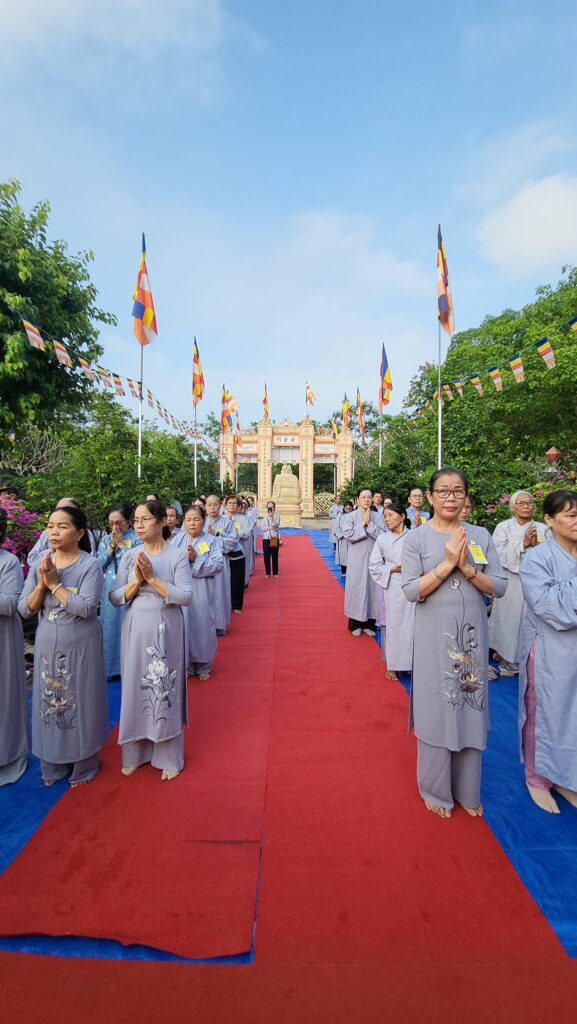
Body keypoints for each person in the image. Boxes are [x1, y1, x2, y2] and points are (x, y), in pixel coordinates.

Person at [401, 468, 506, 819]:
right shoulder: (416, 538)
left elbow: (500, 586)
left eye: (458, 491)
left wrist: (469, 569)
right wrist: (447, 566)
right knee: (437, 702)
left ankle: (466, 789)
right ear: (429, 497)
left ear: (465, 497)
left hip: (473, 635)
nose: (450, 497)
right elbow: (411, 591)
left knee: (470, 700)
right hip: (434, 636)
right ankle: (435, 788)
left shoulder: (478, 535)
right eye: (443, 491)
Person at [18, 505, 108, 787]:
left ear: (79, 533)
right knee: (49, 702)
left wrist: (56, 585)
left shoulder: (89, 565)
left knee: (80, 700)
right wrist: (42, 585)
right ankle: (53, 763)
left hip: (80, 643)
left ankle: (83, 763)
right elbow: (25, 609)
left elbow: (87, 607)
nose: (54, 532)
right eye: (50, 525)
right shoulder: (40, 564)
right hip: (47, 642)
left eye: (63, 526)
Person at [109, 500, 193, 781]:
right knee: (135, 687)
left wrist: (153, 579)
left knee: (164, 689)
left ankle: (168, 755)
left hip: (166, 627)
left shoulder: (176, 555)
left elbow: (185, 596)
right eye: (136, 520)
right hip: (135, 628)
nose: (139, 525)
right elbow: (115, 597)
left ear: (161, 522)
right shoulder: (130, 555)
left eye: (145, 520)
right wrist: (136, 582)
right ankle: (136, 753)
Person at [518, 490, 577, 814]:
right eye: (570, 515)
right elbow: (553, 609)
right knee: (543, 714)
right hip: (550, 650)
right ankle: (537, 777)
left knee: (573, 716)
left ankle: (567, 776)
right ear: (550, 521)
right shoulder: (536, 559)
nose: (576, 521)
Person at [488, 491, 547, 679]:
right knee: (509, 621)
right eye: (520, 503)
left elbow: (550, 554)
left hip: (536, 582)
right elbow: (497, 553)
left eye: (529, 502)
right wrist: (523, 544)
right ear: (512, 507)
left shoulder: (543, 529)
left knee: (532, 621)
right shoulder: (503, 527)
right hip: (511, 581)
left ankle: (531, 660)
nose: (525, 506)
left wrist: (534, 545)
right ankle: (507, 659)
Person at [369, 502, 415, 680]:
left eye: (390, 515)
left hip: (412, 585)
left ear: (402, 516)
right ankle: (393, 664)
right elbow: (374, 566)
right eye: (385, 516)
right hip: (392, 587)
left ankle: (411, 664)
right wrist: (391, 569)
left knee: (412, 626)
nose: (387, 519)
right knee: (394, 626)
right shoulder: (382, 539)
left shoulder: (414, 537)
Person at [0, 509, 28, 785]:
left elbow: (11, 604)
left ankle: (7, 757)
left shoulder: (7, 562)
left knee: (4, 696)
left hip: (3, 637)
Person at [97, 502, 140, 680]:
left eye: (119, 522)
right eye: (111, 523)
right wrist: (111, 549)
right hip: (109, 585)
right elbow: (97, 564)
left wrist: (122, 546)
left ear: (129, 521)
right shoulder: (106, 539)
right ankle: (109, 668)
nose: (115, 527)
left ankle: (128, 668)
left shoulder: (137, 537)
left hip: (129, 586)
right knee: (109, 626)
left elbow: (136, 562)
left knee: (127, 624)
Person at [183, 505, 223, 680]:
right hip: (182, 589)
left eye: (196, 519)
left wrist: (196, 559)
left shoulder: (211, 541)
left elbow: (217, 564)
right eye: (188, 519)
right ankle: (188, 663)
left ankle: (205, 664)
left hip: (203, 590)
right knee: (185, 625)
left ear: (203, 521)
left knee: (202, 623)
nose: (192, 523)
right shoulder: (177, 540)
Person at [341, 487, 385, 636]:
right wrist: (362, 525)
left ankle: (370, 624)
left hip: (374, 557)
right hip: (357, 558)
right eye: (363, 497)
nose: (367, 500)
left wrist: (369, 525)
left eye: (369, 497)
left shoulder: (378, 517)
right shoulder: (349, 517)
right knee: (357, 587)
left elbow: (383, 535)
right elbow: (349, 535)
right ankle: (355, 623)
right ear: (357, 500)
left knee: (373, 589)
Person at [27, 497, 97, 566]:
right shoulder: (47, 533)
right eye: (59, 509)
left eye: (68, 510)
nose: (54, 532)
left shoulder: (90, 565)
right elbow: (32, 558)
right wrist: (53, 553)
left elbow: (91, 555)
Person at [205, 495, 237, 635]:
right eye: (209, 505)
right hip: (203, 562)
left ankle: (220, 625)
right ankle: (204, 625)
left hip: (221, 561)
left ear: (221, 506)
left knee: (220, 592)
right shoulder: (200, 521)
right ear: (205, 507)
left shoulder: (227, 523)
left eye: (216, 505)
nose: (213, 508)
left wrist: (214, 538)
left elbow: (232, 542)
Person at [224, 495, 249, 614]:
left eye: (235, 503)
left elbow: (246, 533)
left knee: (237, 580)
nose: (232, 505)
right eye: (230, 503)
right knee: (225, 580)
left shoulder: (243, 519)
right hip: (223, 553)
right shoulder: (222, 519)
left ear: (239, 506)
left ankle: (237, 605)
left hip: (238, 552)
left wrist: (234, 534)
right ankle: (226, 603)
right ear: (225, 505)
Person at [260, 501, 281, 578]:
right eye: (268, 507)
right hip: (266, 538)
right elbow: (262, 528)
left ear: (274, 508)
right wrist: (269, 528)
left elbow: (275, 525)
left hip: (274, 538)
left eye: (271, 507)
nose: (270, 508)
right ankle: (267, 572)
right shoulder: (264, 518)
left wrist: (272, 517)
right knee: (266, 556)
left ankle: (275, 572)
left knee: (274, 555)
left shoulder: (277, 517)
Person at [335, 499, 354, 575]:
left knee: (351, 555)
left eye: (350, 509)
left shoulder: (354, 515)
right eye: (347, 509)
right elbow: (337, 527)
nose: (348, 511)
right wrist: (341, 534)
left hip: (351, 538)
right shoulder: (340, 515)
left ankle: (351, 571)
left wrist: (351, 534)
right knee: (343, 555)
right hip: (343, 539)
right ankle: (343, 571)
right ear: (344, 508)